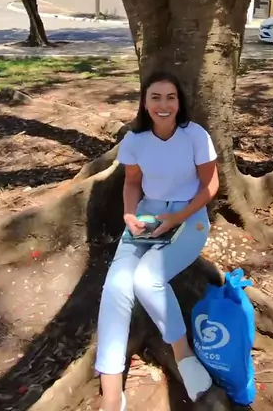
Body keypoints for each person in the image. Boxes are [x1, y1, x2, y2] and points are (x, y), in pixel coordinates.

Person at [95, 71, 219, 411]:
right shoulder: (135, 140)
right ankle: (110, 391)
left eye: (170, 97)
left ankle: (184, 355)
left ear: (180, 102)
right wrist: (128, 214)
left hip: (189, 217)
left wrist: (178, 218)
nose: (163, 105)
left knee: (147, 278)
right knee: (116, 284)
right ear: (145, 102)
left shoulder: (195, 136)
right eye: (155, 97)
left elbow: (211, 186)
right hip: (147, 216)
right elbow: (132, 183)